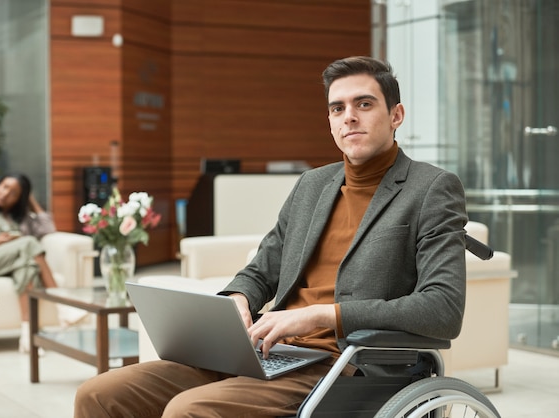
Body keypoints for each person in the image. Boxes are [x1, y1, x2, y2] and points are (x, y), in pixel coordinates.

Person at [74, 56, 468, 417]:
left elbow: (443, 308)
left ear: (396, 114)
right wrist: (238, 299)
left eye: (364, 104)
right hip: (268, 352)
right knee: (99, 394)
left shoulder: (431, 188)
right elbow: (262, 268)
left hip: (345, 364)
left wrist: (320, 315)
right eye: (337, 108)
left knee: (188, 411)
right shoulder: (313, 185)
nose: (349, 117)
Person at [0, 172, 84, 353]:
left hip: (16, 262)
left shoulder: (21, 214)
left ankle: (28, 335)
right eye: (4, 187)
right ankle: (63, 305)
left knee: (28, 267)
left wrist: (31, 201)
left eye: (14, 193)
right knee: (29, 243)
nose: (5, 194)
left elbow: (48, 229)